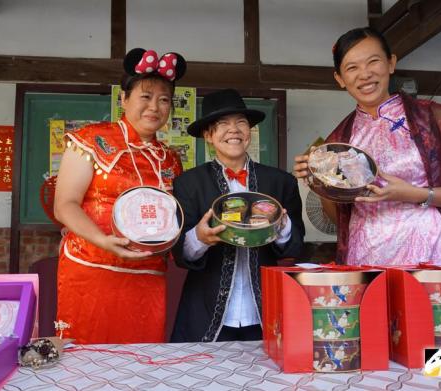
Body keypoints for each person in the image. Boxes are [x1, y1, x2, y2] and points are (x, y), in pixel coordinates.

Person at [293, 27, 441, 266]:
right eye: (352, 68)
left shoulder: (435, 118)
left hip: (430, 252)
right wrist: (318, 183)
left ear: (391, 63)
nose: (364, 74)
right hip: (365, 257)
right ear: (340, 79)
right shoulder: (339, 139)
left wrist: (413, 194)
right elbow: (340, 217)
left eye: (373, 61)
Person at [53, 48, 186, 344]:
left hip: (148, 275)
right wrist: (102, 241)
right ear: (124, 99)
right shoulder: (90, 140)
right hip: (92, 270)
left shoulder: (170, 158)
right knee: (87, 357)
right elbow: (65, 205)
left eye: (164, 100)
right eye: (146, 97)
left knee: (142, 358)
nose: (155, 107)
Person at [170, 89, 305, 342]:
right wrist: (200, 237)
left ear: (249, 132)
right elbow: (180, 255)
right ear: (209, 136)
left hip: (265, 313)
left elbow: (295, 246)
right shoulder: (188, 184)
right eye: (222, 124)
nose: (234, 130)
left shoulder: (280, 183)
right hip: (205, 312)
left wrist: (281, 226)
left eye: (241, 122)